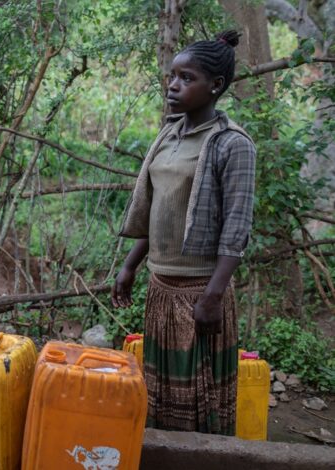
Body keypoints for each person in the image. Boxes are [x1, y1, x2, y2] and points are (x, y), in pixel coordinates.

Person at [112, 31, 256, 435]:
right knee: (160, 393)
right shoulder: (170, 134)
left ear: (216, 86)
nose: (173, 85)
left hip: (199, 292)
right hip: (161, 289)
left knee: (198, 397)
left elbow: (237, 227)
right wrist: (130, 267)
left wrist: (212, 297)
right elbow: (160, 207)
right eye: (172, 76)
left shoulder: (232, 144)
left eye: (186, 78)